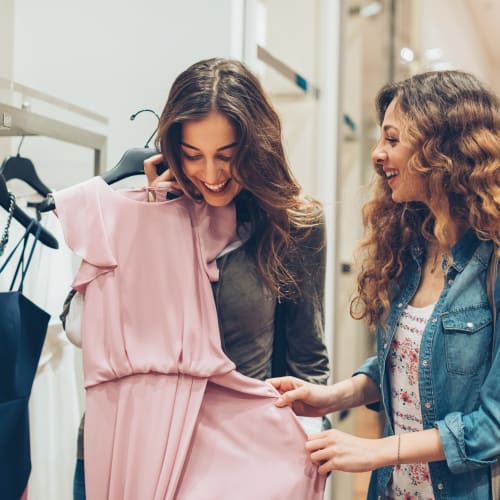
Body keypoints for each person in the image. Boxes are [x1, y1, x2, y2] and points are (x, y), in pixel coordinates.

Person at [64, 57, 330, 499]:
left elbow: (307, 357)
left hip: (236, 460)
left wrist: (309, 459)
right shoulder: (136, 209)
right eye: (193, 156)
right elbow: (82, 329)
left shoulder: (293, 222)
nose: (210, 174)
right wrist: (152, 218)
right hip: (125, 447)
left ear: (256, 147)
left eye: (228, 157)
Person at [269, 70, 500, 499]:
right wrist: (332, 396)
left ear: (442, 147)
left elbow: (493, 427)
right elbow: (411, 364)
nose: (377, 154)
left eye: (392, 140)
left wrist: (377, 451)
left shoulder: (493, 262)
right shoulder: (413, 247)